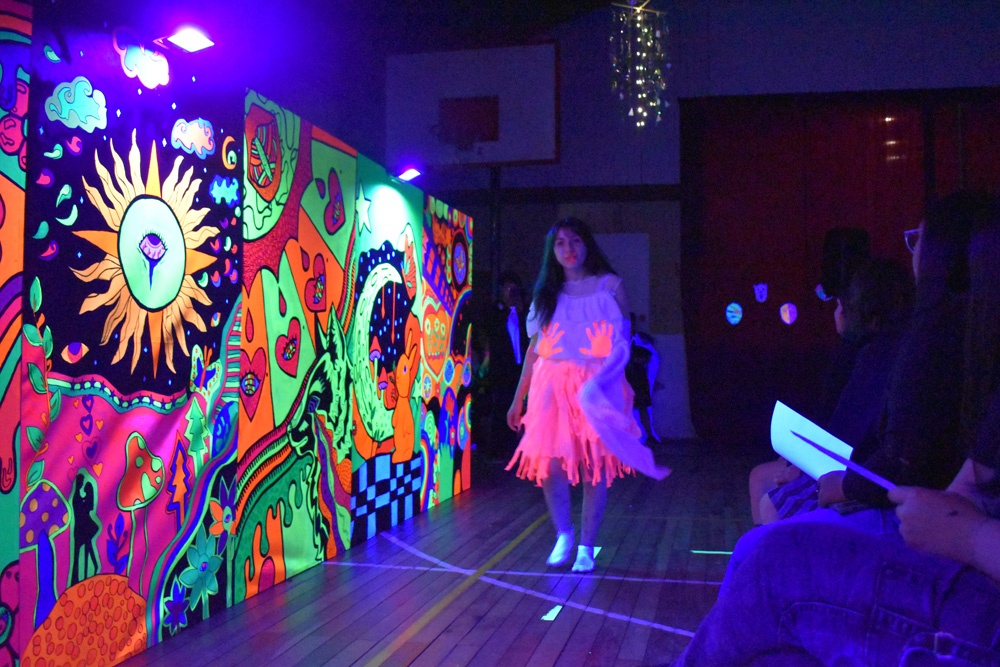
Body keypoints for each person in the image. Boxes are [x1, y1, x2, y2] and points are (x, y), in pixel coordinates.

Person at [674, 193, 1000, 666]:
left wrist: (968, 535)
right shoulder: (949, 347)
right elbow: (969, 480)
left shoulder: (924, 347)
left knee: (764, 555)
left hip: (961, 566)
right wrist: (954, 520)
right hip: (948, 537)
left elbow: (903, 459)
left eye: (919, 240)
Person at [506, 217, 669, 573]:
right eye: (560, 243)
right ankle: (563, 534)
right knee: (550, 464)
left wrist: (600, 382)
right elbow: (534, 350)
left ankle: (586, 545)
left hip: (598, 383)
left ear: (587, 244)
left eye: (575, 240)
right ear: (552, 251)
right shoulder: (546, 293)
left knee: (594, 467)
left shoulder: (610, 286)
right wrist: (518, 398)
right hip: (551, 386)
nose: (568, 249)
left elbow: (622, 344)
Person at [753, 257, 913, 523]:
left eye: (842, 305)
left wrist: (804, 467)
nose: (837, 312)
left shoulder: (873, 355)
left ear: (861, 309)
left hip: (863, 479)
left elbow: (845, 434)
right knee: (765, 485)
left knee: (771, 502)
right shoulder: (895, 348)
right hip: (867, 473)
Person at [480, 271, 530, 460]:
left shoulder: (523, 312)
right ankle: (497, 451)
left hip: (520, 367)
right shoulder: (496, 313)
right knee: (501, 406)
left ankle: (517, 448)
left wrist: (520, 308)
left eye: (514, 289)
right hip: (502, 368)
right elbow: (488, 333)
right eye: (507, 288)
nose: (511, 293)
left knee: (521, 407)